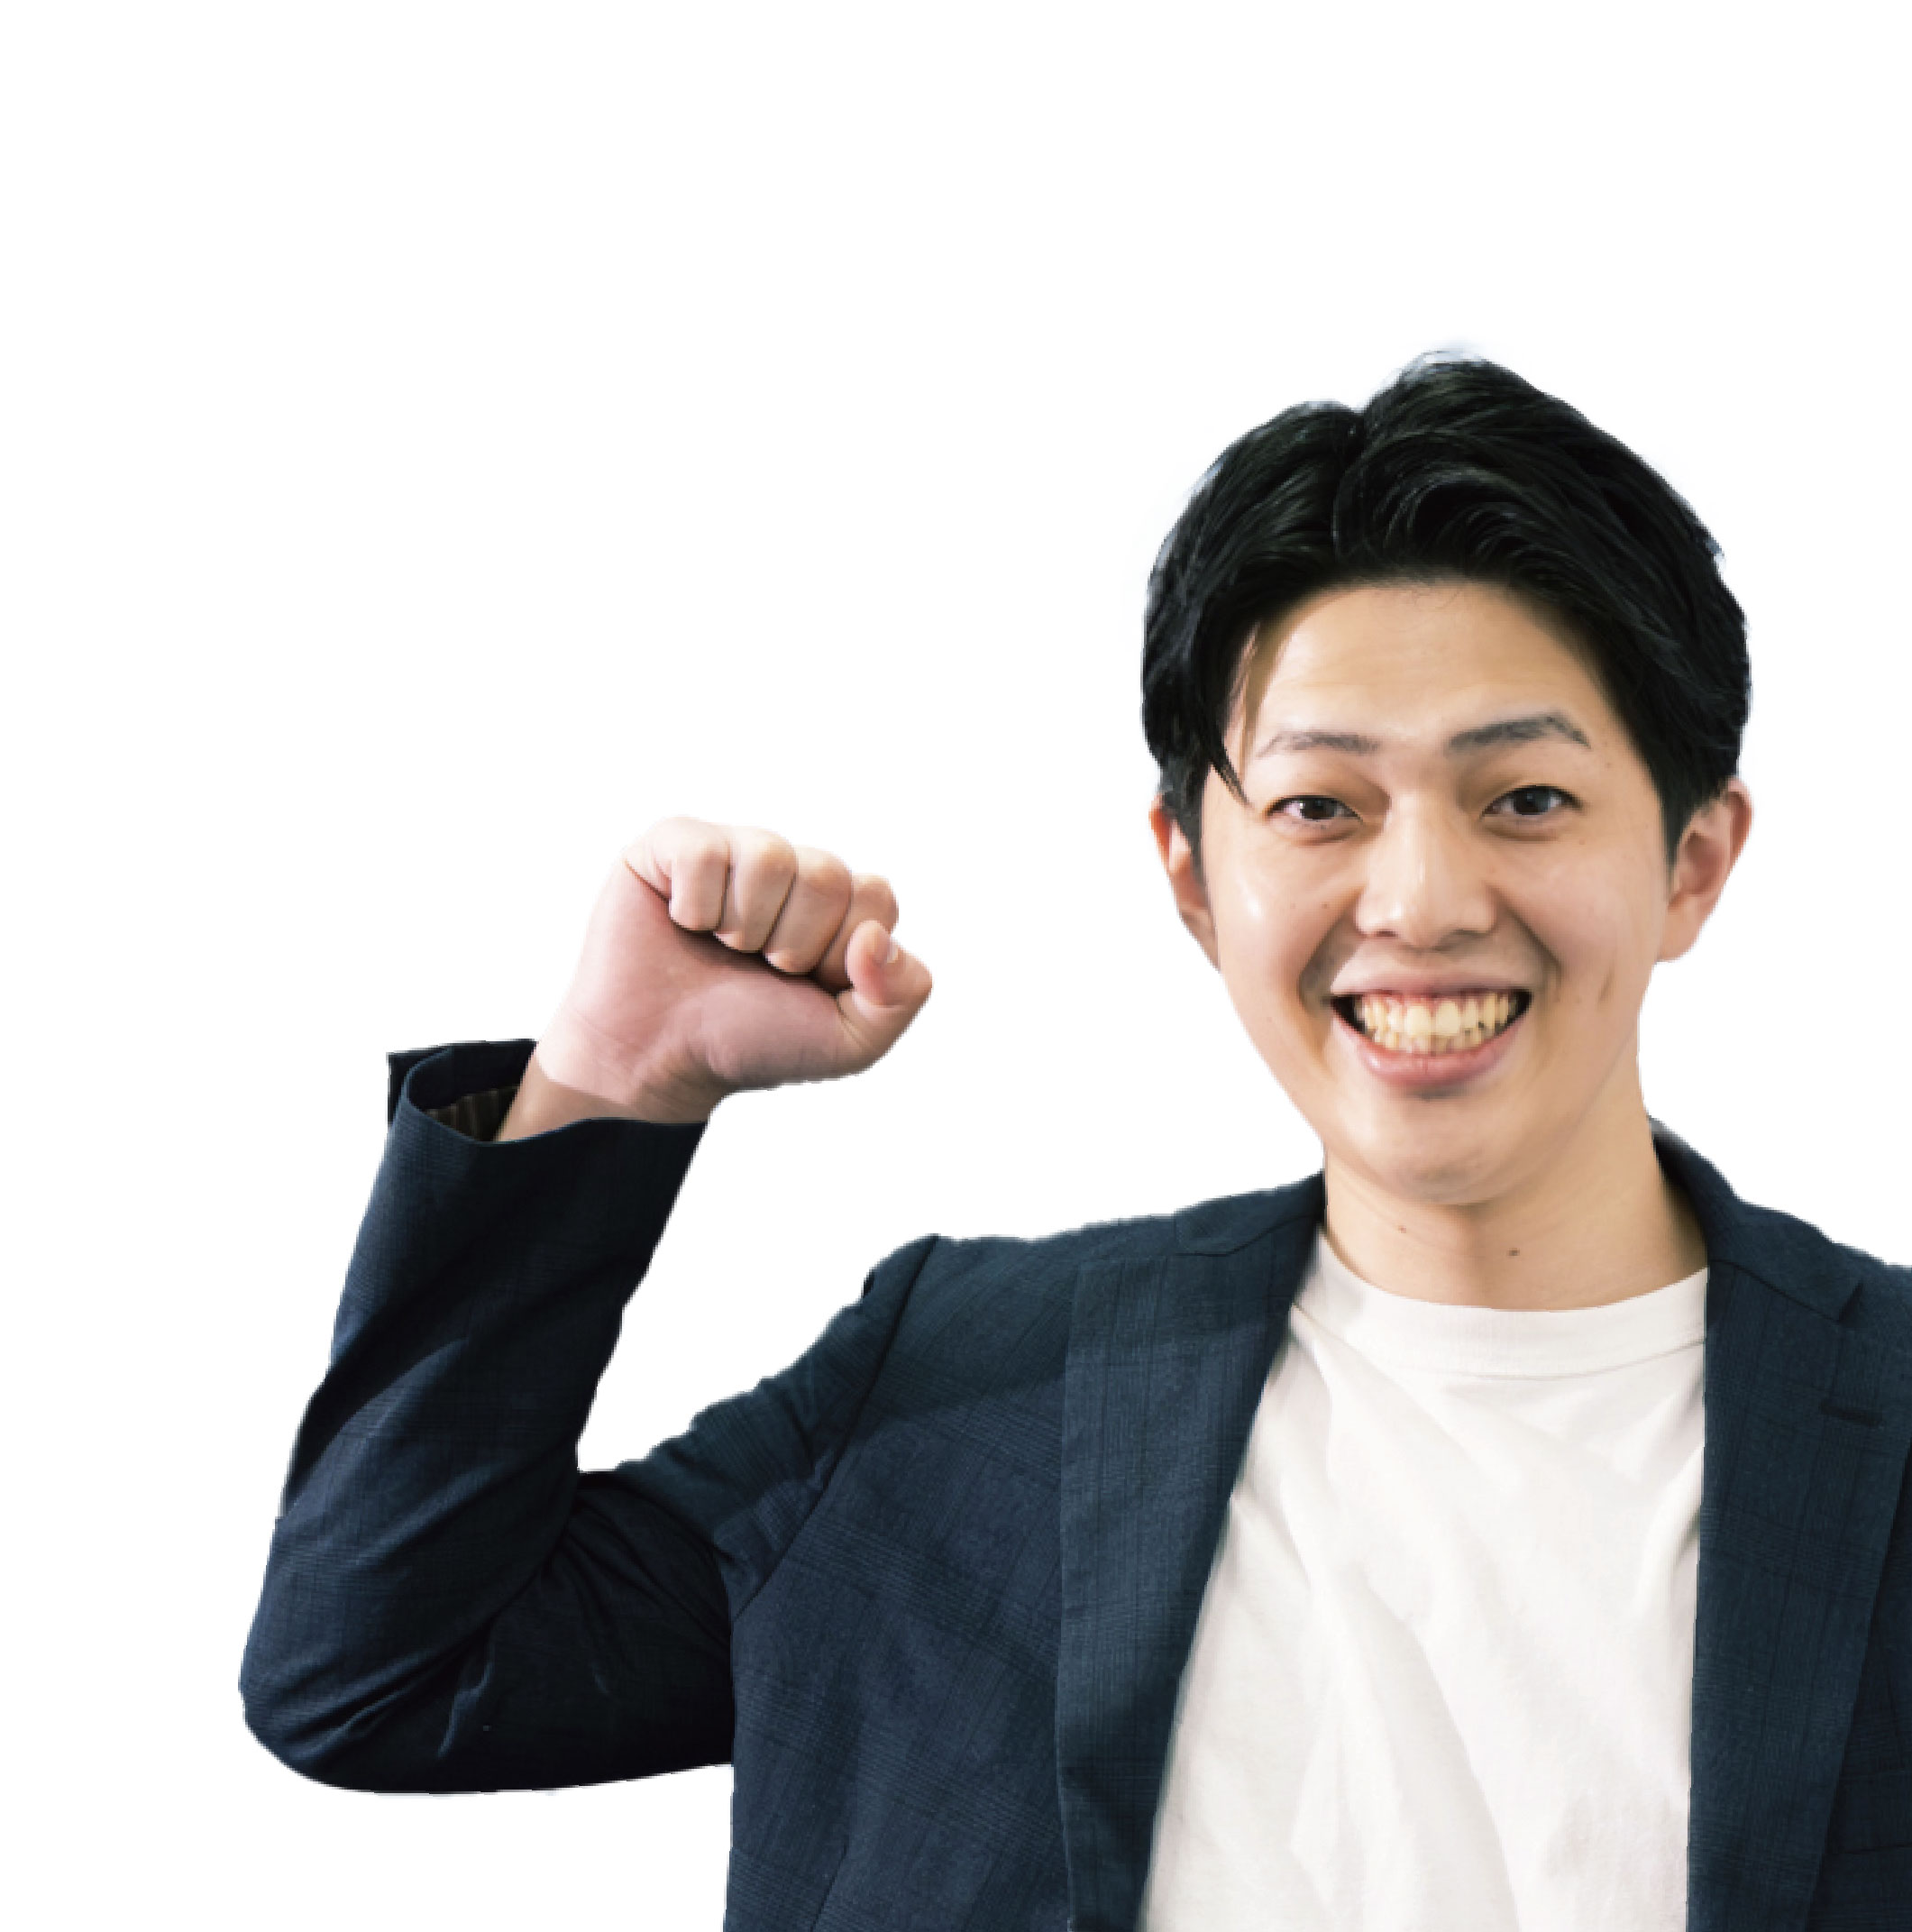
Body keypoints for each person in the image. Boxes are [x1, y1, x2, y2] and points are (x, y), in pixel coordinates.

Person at [240, 354, 1911, 1929]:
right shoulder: (960, 1385)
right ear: (1191, 875)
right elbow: (381, 1671)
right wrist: (610, 1083)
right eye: (1318, 806)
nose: (1418, 901)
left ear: (1691, 863)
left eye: (1524, 800)